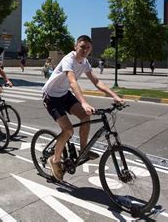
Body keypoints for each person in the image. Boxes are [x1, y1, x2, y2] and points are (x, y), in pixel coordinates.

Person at [42, 35, 123, 181]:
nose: (84, 50)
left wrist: (114, 95)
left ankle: (83, 151)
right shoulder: (69, 60)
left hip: (64, 94)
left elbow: (96, 81)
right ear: (75, 47)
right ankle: (54, 160)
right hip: (51, 97)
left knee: (86, 117)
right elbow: (72, 82)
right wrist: (84, 102)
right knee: (68, 130)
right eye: (82, 47)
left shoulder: (85, 62)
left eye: (88, 48)